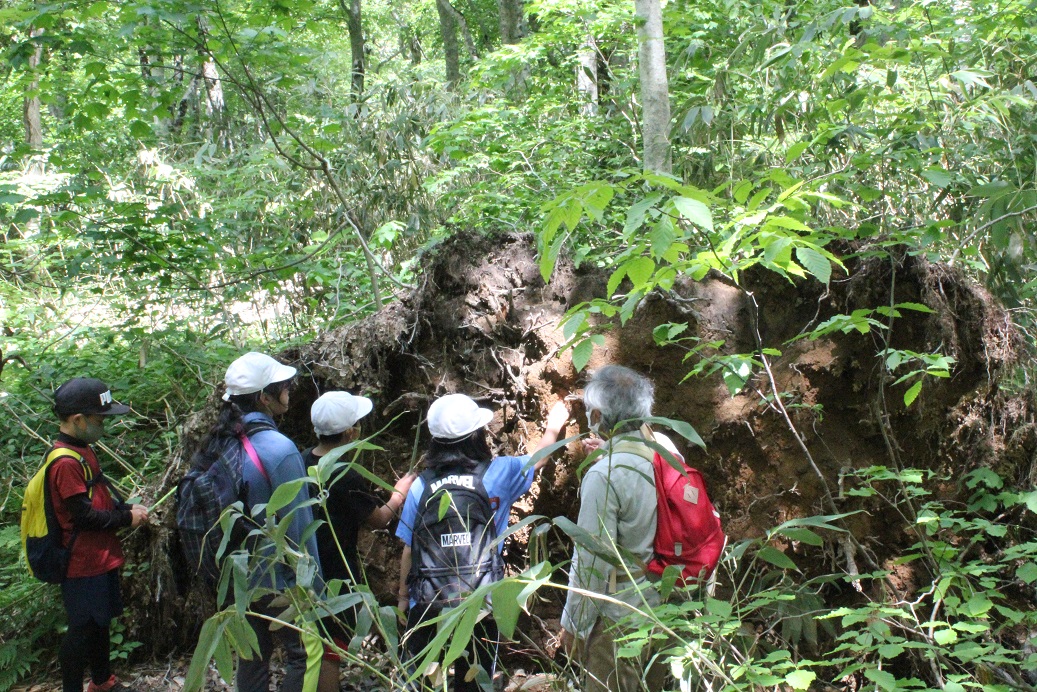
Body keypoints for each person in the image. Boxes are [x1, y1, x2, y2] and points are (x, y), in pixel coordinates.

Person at [396, 394, 569, 691]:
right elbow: (540, 457)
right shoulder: (498, 473)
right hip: (480, 602)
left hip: (426, 605)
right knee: (475, 682)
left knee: (425, 681)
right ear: (475, 436)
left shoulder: (420, 486)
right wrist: (554, 424)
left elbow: (409, 547)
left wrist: (402, 597)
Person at [214, 352, 323, 692]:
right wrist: (314, 588)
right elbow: (299, 527)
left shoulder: (218, 444)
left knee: (252, 656)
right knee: (306, 655)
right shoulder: (279, 449)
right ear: (264, 397)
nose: (290, 389)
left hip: (238, 577)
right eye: (283, 386)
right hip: (281, 576)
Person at [559, 365, 670, 692]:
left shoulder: (605, 475)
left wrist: (573, 628)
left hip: (618, 618)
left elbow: (593, 560)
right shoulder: (663, 448)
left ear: (598, 413)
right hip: (662, 612)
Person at [302, 390, 417, 692]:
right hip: (336, 570)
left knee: (314, 642)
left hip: (304, 564)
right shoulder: (345, 474)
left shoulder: (300, 461)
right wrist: (399, 493)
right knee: (331, 648)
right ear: (351, 432)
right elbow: (379, 519)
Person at [48, 377, 148, 692]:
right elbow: (83, 516)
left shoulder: (82, 449)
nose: (104, 424)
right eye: (100, 418)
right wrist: (125, 518)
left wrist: (125, 506)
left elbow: (97, 495)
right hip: (81, 564)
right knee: (81, 629)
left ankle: (102, 681)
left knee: (100, 623)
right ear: (78, 420)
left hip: (98, 558)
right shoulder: (65, 462)